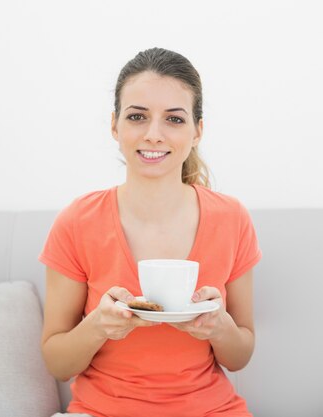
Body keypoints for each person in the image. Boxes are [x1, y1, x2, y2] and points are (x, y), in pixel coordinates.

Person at [38, 47, 262, 417]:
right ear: (115, 126)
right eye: (137, 116)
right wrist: (98, 326)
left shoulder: (231, 218)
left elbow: (240, 357)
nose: (154, 134)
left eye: (174, 120)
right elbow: (58, 364)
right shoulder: (77, 221)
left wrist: (218, 327)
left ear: (197, 131)